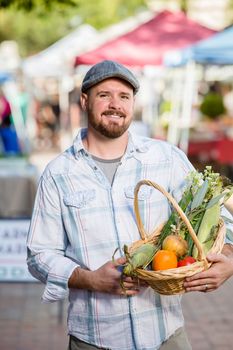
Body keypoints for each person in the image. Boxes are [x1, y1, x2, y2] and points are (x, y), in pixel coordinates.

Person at [27, 60, 233, 350]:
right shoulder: (58, 173)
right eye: (104, 95)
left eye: (124, 96)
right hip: (94, 339)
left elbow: (222, 218)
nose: (115, 104)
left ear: (132, 103)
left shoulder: (166, 158)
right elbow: (39, 255)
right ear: (85, 100)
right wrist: (90, 279)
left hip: (166, 334)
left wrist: (228, 260)